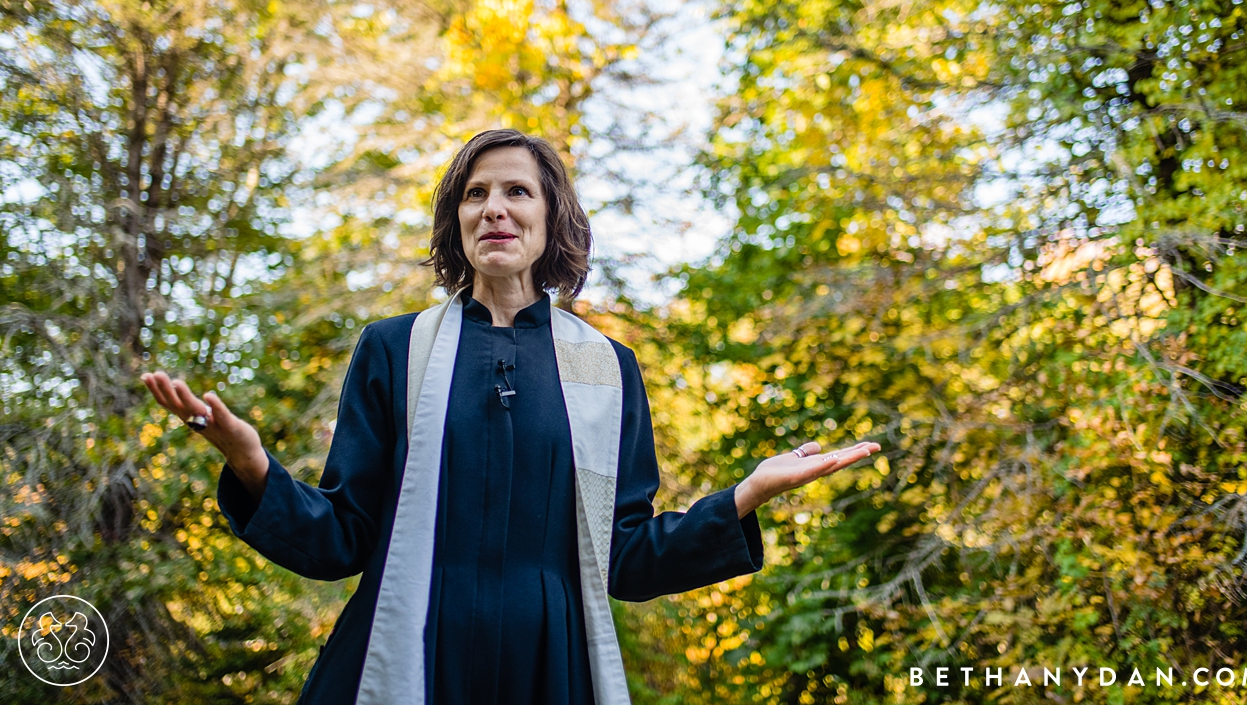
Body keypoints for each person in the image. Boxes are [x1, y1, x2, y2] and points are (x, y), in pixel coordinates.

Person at [141, 128, 882, 705]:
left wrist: (744, 495)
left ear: (550, 214)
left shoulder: (605, 366)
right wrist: (250, 465)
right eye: (475, 193)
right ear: (455, 220)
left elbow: (624, 556)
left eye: (517, 191)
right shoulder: (393, 349)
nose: (494, 207)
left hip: (550, 665)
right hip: (411, 653)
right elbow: (342, 537)